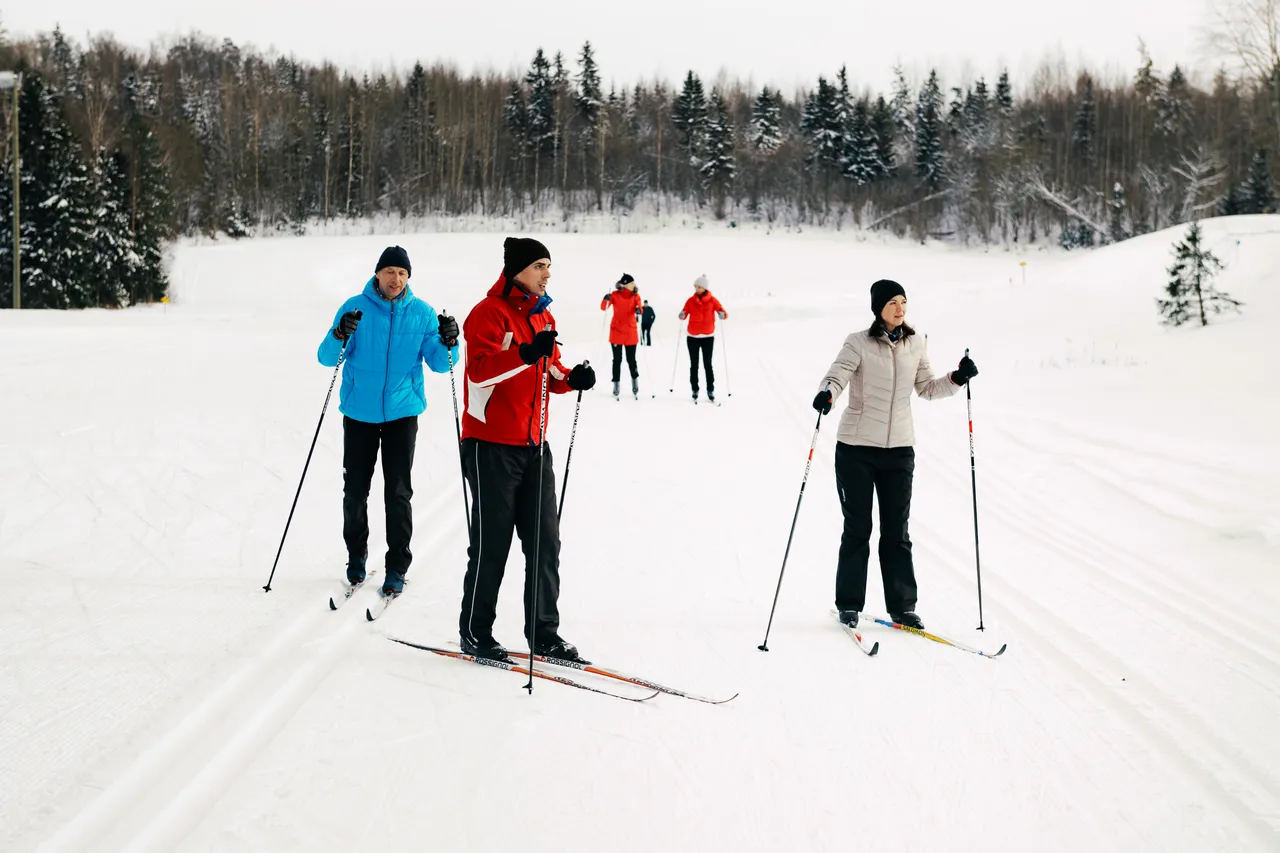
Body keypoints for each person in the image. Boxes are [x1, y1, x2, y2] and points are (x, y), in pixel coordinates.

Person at [458, 237, 597, 663]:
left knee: (544, 541)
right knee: (492, 542)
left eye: (548, 267)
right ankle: (476, 631)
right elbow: (479, 374)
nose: (547, 274)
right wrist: (523, 352)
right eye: (540, 266)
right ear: (518, 269)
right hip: (490, 445)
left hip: (534, 444)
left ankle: (543, 632)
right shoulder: (487, 314)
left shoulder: (543, 316)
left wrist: (573, 377)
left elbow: (550, 370)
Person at [812, 279, 978, 631]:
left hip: (900, 451)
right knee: (858, 527)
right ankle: (850, 604)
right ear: (878, 309)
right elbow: (837, 376)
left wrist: (957, 378)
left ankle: (903, 607)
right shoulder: (858, 342)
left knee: (896, 531)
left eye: (903, 301)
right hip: (856, 449)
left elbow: (927, 389)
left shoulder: (916, 343)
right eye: (892, 303)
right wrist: (827, 394)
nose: (900, 308)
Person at [318, 246, 459, 597]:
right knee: (355, 491)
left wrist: (451, 341)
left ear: (408, 278)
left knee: (398, 493)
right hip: (359, 413)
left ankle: (397, 565)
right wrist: (340, 333)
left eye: (402, 273)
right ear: (377, 274)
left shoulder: (423, 314)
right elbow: (326, 358)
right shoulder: (356, 308)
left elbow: (442, 365)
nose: (396, 279)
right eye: (390, 272)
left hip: (402, 413)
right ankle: (356, 555)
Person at [678, 274, 727, 402]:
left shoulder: (713, 300)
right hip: (692, 337)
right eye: (696, 286)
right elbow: (684, 313)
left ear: (704, 287)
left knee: (707, 364)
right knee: (694, 365)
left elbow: (723, 312)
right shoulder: (690, 300)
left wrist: (722, 314)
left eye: (699, 286)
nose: (697, 289)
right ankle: (694, 389)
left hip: (707, 337)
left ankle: (710, 389)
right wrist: (682, 315)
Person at [600, 273, 643, 398]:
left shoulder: (635, 296)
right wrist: (605, 299)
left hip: (630, 333)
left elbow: (640, 307)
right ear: (625, 285)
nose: (634, 286)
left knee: (631, 360)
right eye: (631, 284)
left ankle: (635, 382)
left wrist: (638, 310)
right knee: (617, 360)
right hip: (616, 332)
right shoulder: (614, 295)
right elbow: (604, 308)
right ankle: (616, 384)